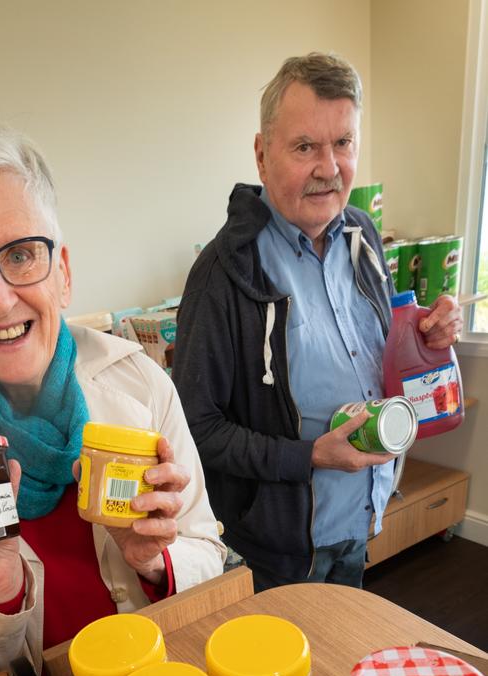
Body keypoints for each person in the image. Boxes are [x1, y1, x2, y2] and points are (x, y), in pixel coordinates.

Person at [0, 124, 225, 672]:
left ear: (63, 272)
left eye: (23, 255)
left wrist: (155, 560)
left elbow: (210, 555)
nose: (0, 298)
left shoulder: (141, 386)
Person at [172, 52, 462, 592]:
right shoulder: (222, 273)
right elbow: (198, 430)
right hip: (277, 548)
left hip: (362, 516)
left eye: (344, 144)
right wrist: (308, 457)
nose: (329, 168)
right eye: (305, 146)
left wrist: (426, 337)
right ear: (262, 155)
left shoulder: (363, 235)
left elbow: (378, 352)